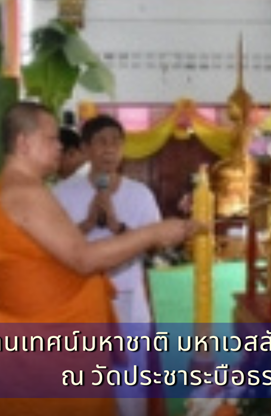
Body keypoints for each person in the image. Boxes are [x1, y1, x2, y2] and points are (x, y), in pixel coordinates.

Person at [0, 101, 199, 416]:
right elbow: (83, 258)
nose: (59, 146)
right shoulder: (25, 191)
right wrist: (152, 233)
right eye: (51, 138)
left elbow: (63, 253)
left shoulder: (21, 187)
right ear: (23, 143)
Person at [52, 114, 161, 416]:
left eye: (116, 142)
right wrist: (86, 225)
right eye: (101, 142)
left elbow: (155, 247)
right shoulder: (63, 194)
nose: (109, 149)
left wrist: (118, 227)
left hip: (126, 300)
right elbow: (50, 249)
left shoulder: (140, 195)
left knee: (130, 389)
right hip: (78, 301)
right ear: (85, 149)